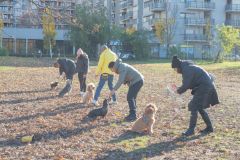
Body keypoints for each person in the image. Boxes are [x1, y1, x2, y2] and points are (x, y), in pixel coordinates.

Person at [171, 56, 219, 136]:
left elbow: (186, 85)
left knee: (193, 105)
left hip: (204, 86)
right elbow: (188, 83)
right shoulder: (187, 67)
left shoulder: (187, 69)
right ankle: (209, 127)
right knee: (199, 107)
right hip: (205, 86)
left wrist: (177, 91)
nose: (176, 71)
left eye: (175, 69)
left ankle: (191, 130)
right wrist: (179, 89)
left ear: (178, 66)